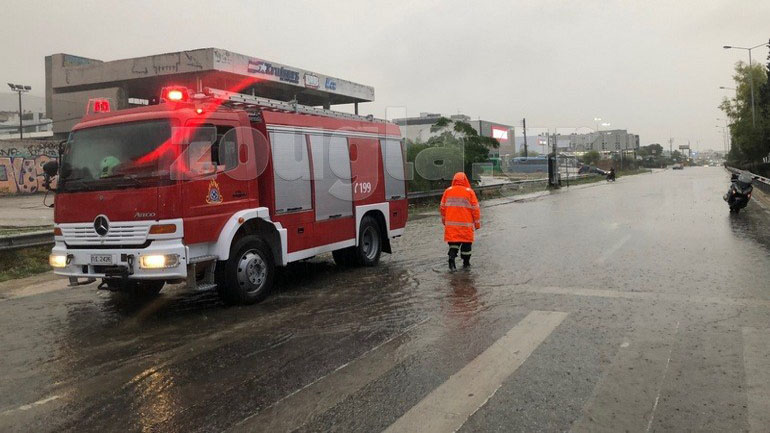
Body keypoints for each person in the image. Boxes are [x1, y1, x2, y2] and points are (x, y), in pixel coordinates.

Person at [440, 172, 481, 270]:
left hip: (451, 225)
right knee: (466, 246)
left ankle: (451, 260)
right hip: (465, 225)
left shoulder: (447, 191)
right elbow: (475, 209)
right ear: (465, 180)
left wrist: (444, 221)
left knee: (453, 244)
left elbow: (442, 208)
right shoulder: (469, 192)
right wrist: (477, 224)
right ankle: (466, 264)